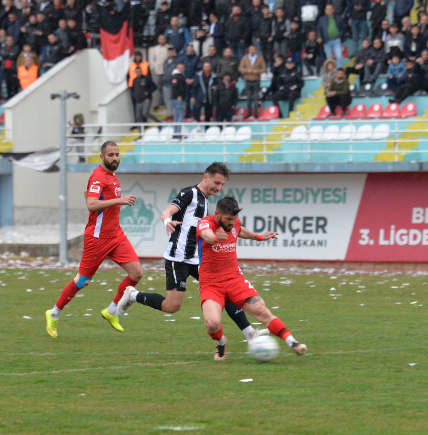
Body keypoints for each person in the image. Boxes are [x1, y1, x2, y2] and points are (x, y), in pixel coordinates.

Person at [117, 163, 269, 359]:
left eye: (222, 184)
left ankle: (246, 335)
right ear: (206, 177)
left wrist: (258, 236)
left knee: (227, 291)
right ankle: (132, 295)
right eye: (216, 182)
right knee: (172, 307)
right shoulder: (189, 193)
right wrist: (167, 221)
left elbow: (233, 230)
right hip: (178, 259)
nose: (219, 188)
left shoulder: (206, 202)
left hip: (198, 260)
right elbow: (167, 212)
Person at [45, 141, 144, 338]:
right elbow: (91, 204)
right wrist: (120, 200)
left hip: (115, 234)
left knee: (137, 273)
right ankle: (54, 313)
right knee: (82, 281)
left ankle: (112, 310)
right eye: (110, 155)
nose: (115, 158)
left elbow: (88, 195)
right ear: (102, 157)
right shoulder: (100, 176)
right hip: (97, 238)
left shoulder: (110, 176)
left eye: (117, 154)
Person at [196, 194, 307, 360]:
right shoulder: (205, 223)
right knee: (212, 324)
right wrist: (215, 238)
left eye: (234, 218)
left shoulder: (234, 224)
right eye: (228, 219)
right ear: (217, 214)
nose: (231, 222)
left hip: (234, 279)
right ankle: (221, 342)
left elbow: (240, 231)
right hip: (211, 283)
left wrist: (260, 237)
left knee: (261, 310)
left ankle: (293, 343)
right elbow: (205, 235)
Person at [239, 44, 266, 120]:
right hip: (248, 80)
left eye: (254, 49)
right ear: (249, 50)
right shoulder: (245, 58)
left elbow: (264, 68)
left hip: (256, 79)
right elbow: (240, 68)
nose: (252, 51)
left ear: (256, 50)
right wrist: (247, 71)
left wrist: (257, 71)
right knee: (248, 98)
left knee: (256, 98)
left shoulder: (260, 58)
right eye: (251, 49)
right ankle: (249, 113)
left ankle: (256, 114)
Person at [317, 4, 345, 68]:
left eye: (330, 9)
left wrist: (340, 36)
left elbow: (343, 28)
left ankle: (339, 71)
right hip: (327, 41)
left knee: (339, 56)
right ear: (325, 10)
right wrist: (319, 37)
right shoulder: (322, 19)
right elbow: (319, 29)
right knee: (329, 58)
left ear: (333, 10)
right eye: (328, 9)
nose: (329, 10)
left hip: (337, 41)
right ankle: (331, 72)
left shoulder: (338, 18)